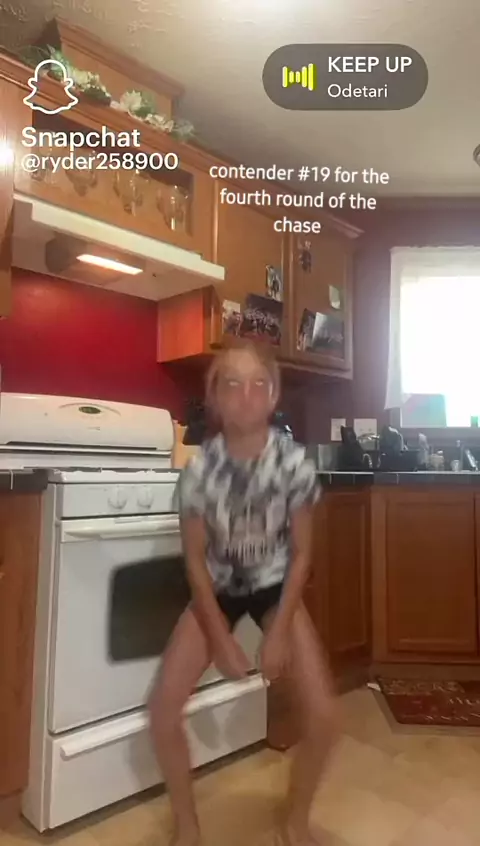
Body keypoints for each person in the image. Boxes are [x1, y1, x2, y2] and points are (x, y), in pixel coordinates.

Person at [149, 338, 337, 846]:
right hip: (218, 587)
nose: (246, 396)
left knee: (324, 717)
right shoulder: (198, 472)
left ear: (273, 394)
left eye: (258, 384)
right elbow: (194, 561)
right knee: (162, 711)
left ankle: (295, 819)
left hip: (275, 585)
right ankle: (187, 826)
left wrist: (278, 631)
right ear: (214, 395)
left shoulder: (294, 465)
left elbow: (302, 554)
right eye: (231, 384)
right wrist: (220, 637)